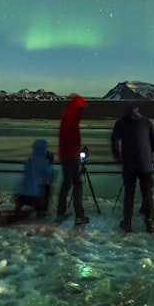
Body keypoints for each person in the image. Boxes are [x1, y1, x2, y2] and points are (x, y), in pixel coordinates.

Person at [111, 105, 154, 233]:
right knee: (147, 192)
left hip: (128, 164)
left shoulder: (120, 123)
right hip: (145, 164)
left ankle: (127, 222)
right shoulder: (146, 122)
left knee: (129, 193)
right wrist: (148, 153)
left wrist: (119, 158)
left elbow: (114, 142)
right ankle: (150, 221)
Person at [57, 94, 90, 225]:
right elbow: (72, 139)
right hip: (71, 156)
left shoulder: (67, 116)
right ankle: (79, 215)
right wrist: (78, 153)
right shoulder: (72, 118)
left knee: (66, 183)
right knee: (77, 185)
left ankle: (60, 212)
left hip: (65, 155)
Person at [13, 138, 57, 217]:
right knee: (48, 187)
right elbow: (51, 177)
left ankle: (18, 208)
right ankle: (41, 210)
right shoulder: (43, 163)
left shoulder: (29, 160)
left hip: (21, 196)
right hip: (36, 198)